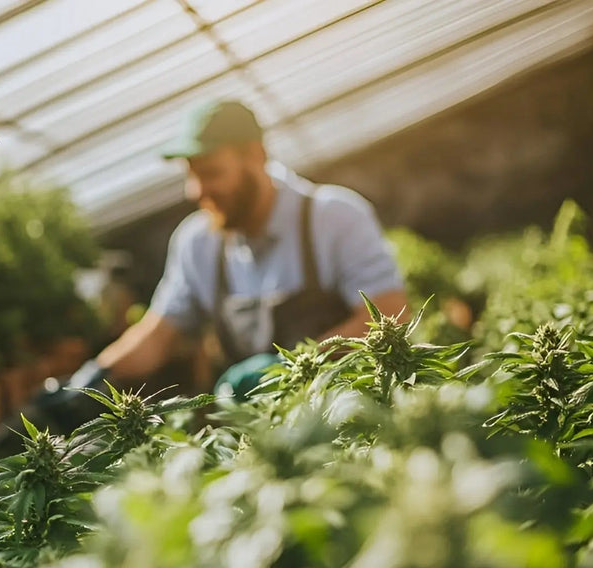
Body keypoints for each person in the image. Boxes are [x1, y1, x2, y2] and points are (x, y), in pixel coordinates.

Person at [59, 100, 407, 404]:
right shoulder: (198, 242)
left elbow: (389, 312)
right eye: (191, 176)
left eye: (211, 173)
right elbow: (158, 334)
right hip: (254, 436)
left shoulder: (333, 217)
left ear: (255, 155)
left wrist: (294, 366)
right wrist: (91, 380)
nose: (197, 191)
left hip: (347, 415)